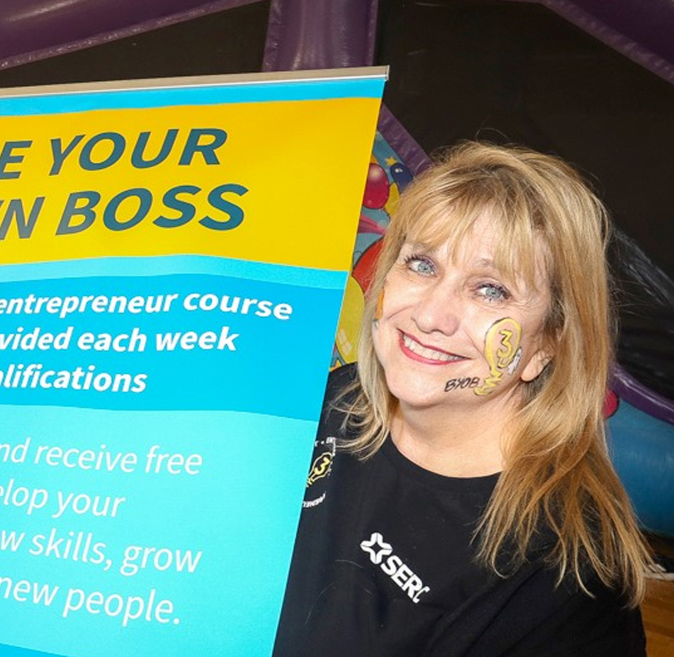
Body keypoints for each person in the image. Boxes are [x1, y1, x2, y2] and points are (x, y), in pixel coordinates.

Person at [273, 143, 650, 656]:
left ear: (546, 345)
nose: (431, 315)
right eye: (422, 264)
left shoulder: (567, 570)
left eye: (491, 290)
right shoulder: (342, 400)